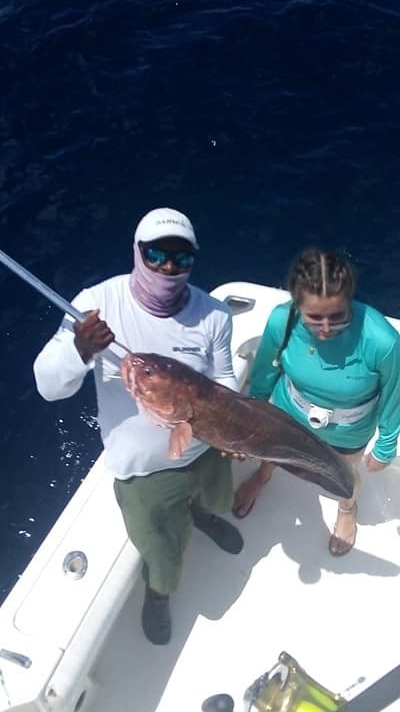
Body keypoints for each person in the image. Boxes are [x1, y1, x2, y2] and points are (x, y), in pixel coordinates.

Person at [33, 207, 243, 646]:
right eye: (156, 254)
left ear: (193, 260)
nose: (168, 266)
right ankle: (159, 594)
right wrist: (79, 349)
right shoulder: (94, 306)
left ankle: (201, 515)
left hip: (203, 450)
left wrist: (234, 427)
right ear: (137, 252)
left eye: (181, 258)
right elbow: (48, 386)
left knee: (213, 498)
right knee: (162, 551)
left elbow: (224, 378)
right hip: (143, 472)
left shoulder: (215, 315)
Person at [232, 247, 400, 556]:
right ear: (297, 305)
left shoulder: (383, 341)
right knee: (274, 454)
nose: (326, 329)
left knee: (343, 475)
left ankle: (346, 509)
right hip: (287, 414)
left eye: (337, 317)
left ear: (350, 301)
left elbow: (394, 396)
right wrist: (250, 420)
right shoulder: (281, 320)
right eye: (314, 318)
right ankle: (263, 475)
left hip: (348, 434)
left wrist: (386, 446)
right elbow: (264, 373)